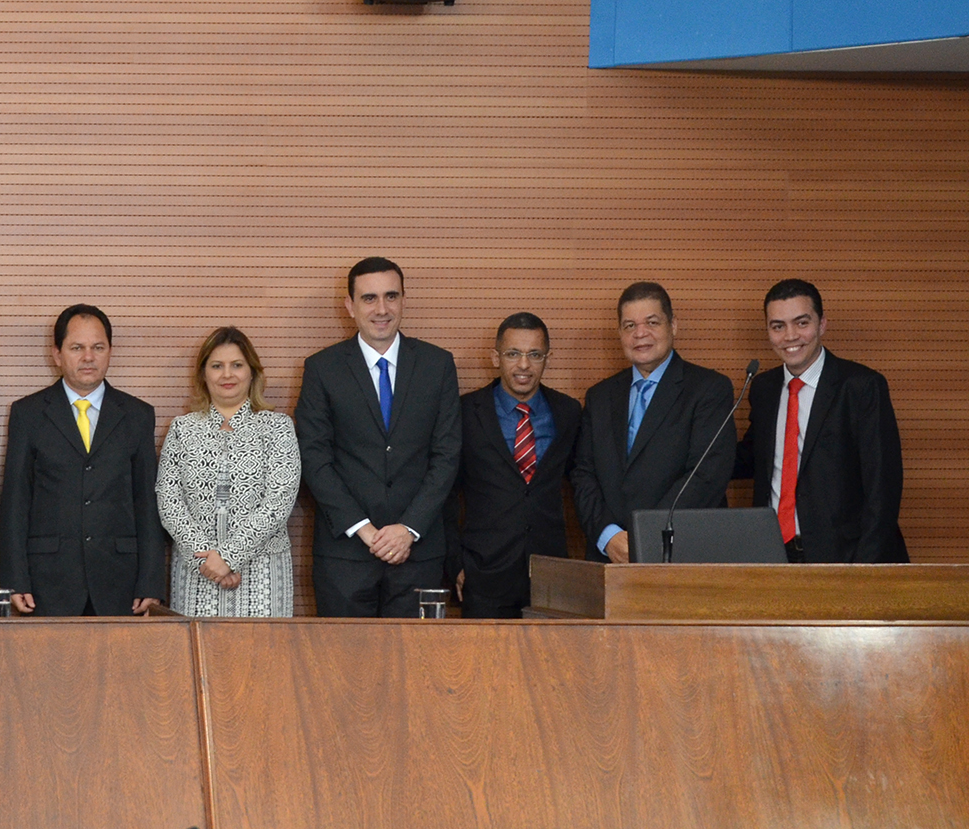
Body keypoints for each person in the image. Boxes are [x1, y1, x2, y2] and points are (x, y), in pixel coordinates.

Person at [294, 258, 461, 617]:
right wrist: (367, 531)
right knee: (341, 654)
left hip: (419, 553)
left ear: (403, 300)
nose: (382, 309)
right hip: (345, 557)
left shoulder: (437, 365)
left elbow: (447, 455)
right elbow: (314, 459)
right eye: (369, 298)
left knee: (417, 654)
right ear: (350, 306)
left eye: (391, 296)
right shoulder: (322, 369)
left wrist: (409, 529)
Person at [0, 305, 167, 616]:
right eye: (77, 348)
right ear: (57, 354)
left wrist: (151, 581)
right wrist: (15, 579)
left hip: (120, 581)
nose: (88, 357)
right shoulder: (28, 414)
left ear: (110, 351)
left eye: (97, 347)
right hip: (48, 581)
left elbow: (147, 502)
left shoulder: (137, 415)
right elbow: (15, 502)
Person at [735, 279, 907, 563]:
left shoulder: (861, 387)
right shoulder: (764, 388)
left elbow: (883, 489)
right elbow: (754, 457)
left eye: (801, 323)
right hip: (773, 553)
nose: (790, 336)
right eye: (778, 326)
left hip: (844, 557)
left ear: (822, 324)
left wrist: (864, 568)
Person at [572, 282, 737, 563]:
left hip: (681, 553)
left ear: (673, 326)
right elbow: (583, 474)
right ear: (619, 333)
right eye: (629, 325)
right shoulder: (599, 396)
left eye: (652, 322)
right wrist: (608, 535)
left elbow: (706, 476)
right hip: (610, 557)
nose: (640, 334)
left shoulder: (709, 389)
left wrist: (647, 536)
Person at [155, 326, 302, 616]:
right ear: (203, 374)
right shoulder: (183, 429)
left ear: (252, 372)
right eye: (216, 366)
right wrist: (208, 561)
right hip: (198, 571)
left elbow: (279, 501)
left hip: (262, 573)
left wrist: (230, 557)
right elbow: (169, 501)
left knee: (262, 647)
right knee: (195, 647)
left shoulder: (277, 428)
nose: (227, 375)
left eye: (237, 365)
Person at [447, 313, 582, 618]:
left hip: (551, 574)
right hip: (484, 574)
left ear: (547, 359)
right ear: (495, 358)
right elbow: (445, 493)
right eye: (512, 354)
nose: (524, 365)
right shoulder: (465, 412)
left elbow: (583, 483)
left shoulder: (568, 412)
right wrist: (455, 563)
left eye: (534, 354)